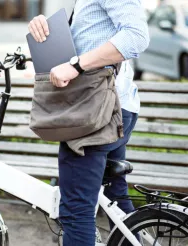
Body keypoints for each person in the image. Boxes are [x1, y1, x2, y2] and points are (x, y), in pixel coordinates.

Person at [28, 0, 150, 245]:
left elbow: (136, 36)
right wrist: (42, 29)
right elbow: (85, 42)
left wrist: (76, 65)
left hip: (96, 112)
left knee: (76, 211)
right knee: (115, 198)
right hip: (108, 107)